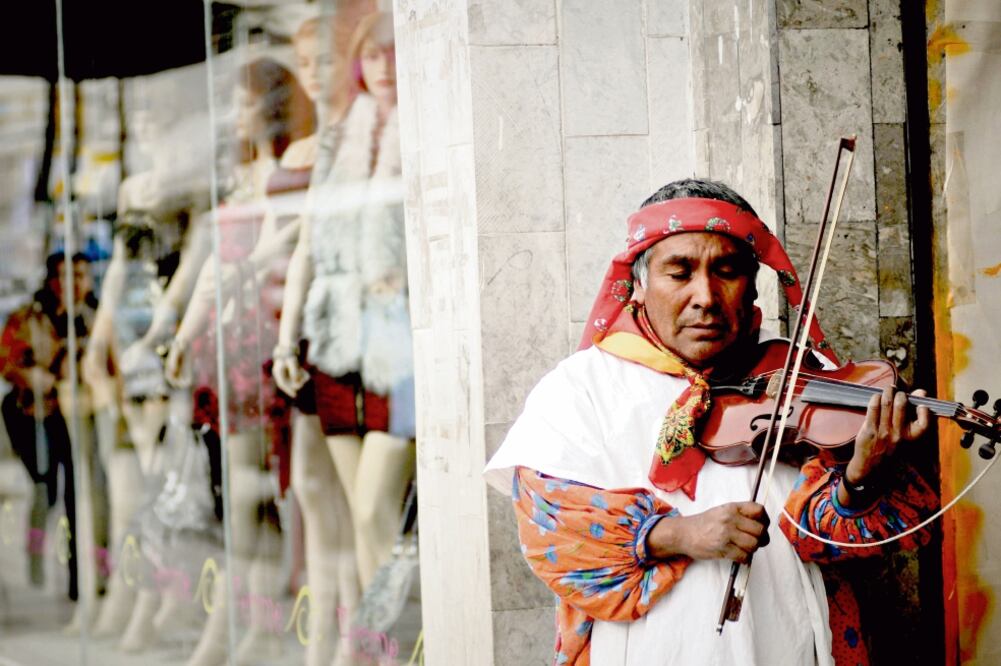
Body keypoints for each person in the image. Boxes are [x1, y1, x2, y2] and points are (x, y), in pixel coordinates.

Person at [484, 179, 939, 666]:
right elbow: (556, 535)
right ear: (638, 284)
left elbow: (833, 543)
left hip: (786, 646)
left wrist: (862, 479)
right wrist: (679, 535)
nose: (705, 296)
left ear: (752, 284)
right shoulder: (581, 387)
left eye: (726, 272)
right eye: (679, 273)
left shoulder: (799, 377)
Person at [1, 251, 97, 600]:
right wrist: (30, 376)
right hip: (30, 413)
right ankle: (35, 552)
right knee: (45, 489)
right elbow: (6, 361)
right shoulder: (29, 317)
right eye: (67, 276)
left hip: (72, 413)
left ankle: (76, 576)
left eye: (82, 276)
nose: (76, 284)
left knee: (75, 492)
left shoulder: (89, 317)